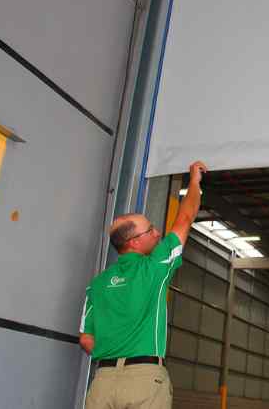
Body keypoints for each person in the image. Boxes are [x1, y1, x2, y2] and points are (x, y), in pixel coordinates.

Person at [78, 161, 208, 409]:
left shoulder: (97, 284)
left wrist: (113, 355)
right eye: (150, 230)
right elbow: (185, 218)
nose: (158, 233)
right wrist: (194, 182)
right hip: (144, 380)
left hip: (102, 383)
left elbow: (86, 339)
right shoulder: (154, 267)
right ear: (134, 243)